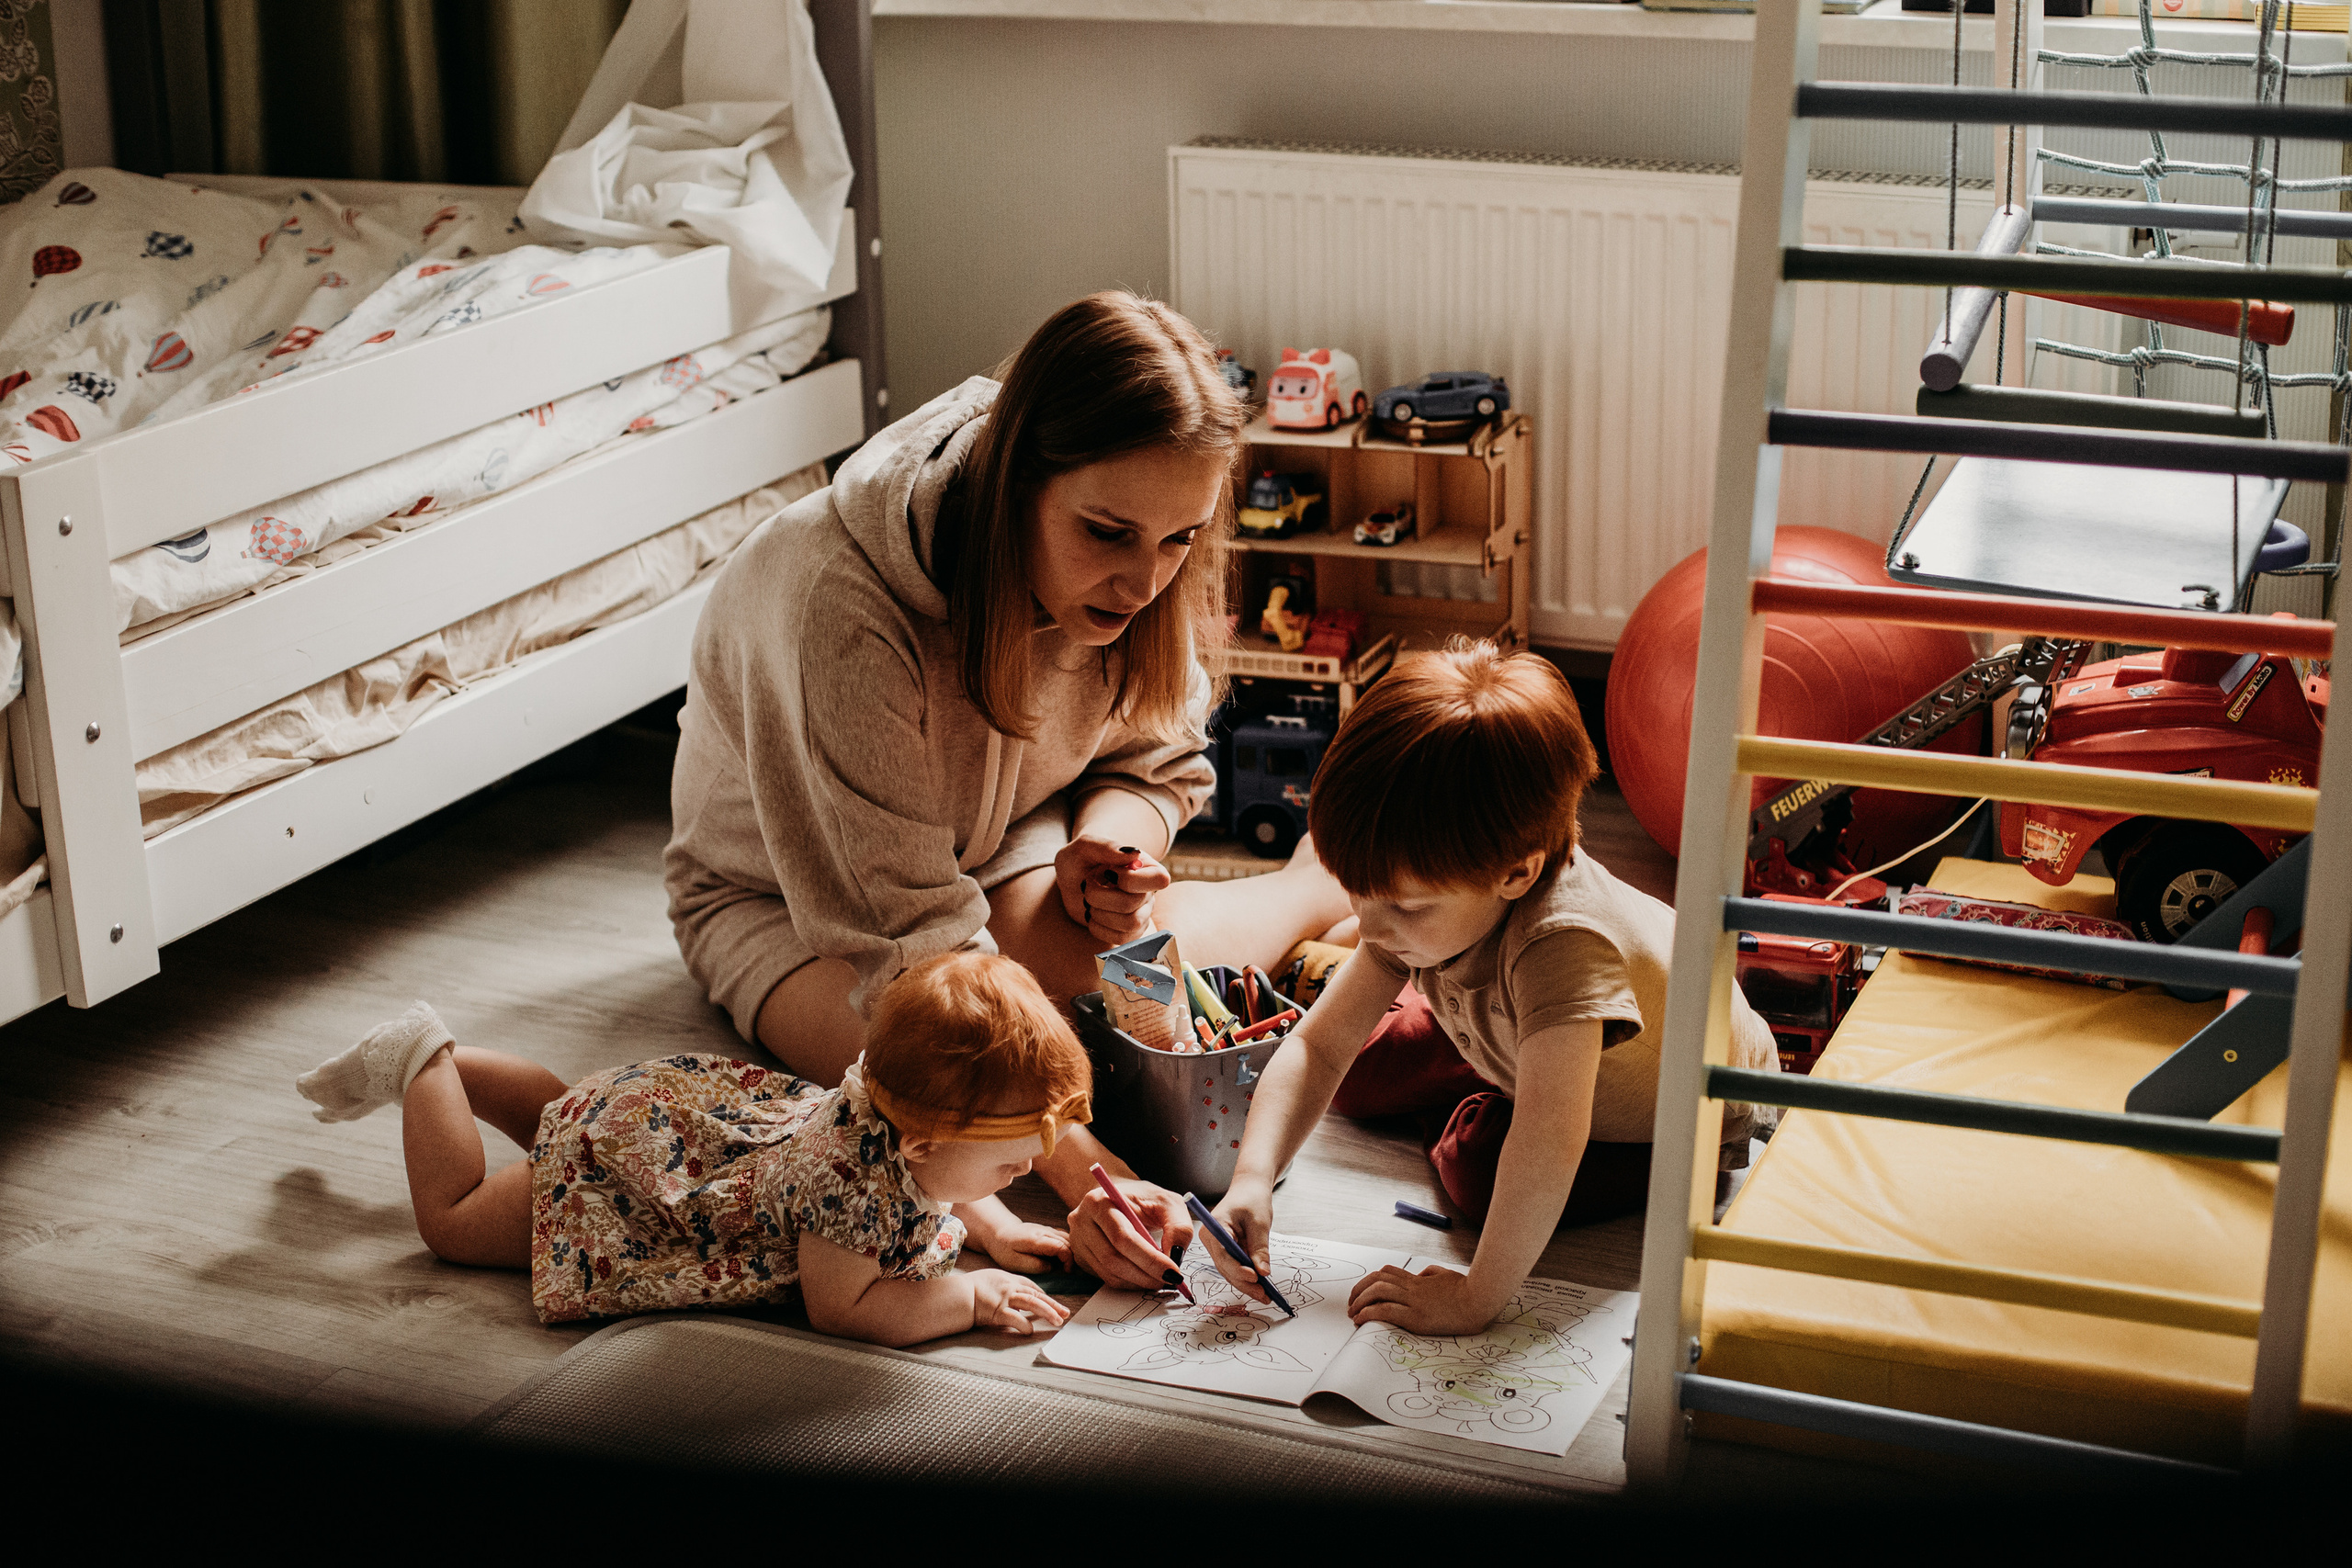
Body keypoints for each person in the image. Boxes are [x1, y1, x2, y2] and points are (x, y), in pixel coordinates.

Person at [663, 291, 1351, 1286]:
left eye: (1177, 541)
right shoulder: (837, 602)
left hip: (990, 848)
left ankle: (1316, 882)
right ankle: (1310, 891)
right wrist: (1094, 1181)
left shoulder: (1137, 563)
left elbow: (1154, 760)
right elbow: (914, 956)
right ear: (1013, 480)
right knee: (954, 1085)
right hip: (788, 906)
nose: (1144, 583)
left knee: (1104, 994)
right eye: (1109, 533)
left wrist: (1107, 849)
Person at [1206, 643, 1780, 1336]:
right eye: (1358, 892)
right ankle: (1474, 1074)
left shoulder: (1565, 947)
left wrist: (1476, 1295)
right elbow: (1318, 1048)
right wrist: (1252, 1177)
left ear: (1516, 874)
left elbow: (1548, 1139)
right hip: (1532, 1044)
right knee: (1356, 1069)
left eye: (1407, 906)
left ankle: (1473, 1094)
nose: (1369, 924)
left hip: (1682, 1116)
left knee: (1485, 1169)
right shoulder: (1439, 904)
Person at [294, 952, 1089, 1348]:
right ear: (922, 1141)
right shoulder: (847, 1189)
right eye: (1009, 1163)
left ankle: (459, 1071)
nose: (1022, 1176)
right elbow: (844, 1306)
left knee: (558, 1115)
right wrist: (975, 1296)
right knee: (456, 1221)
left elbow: (944, 1178)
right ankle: (425, 1059)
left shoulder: (902, 1120)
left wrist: (989, 1226)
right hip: (632, 1200)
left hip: (667, 1127)